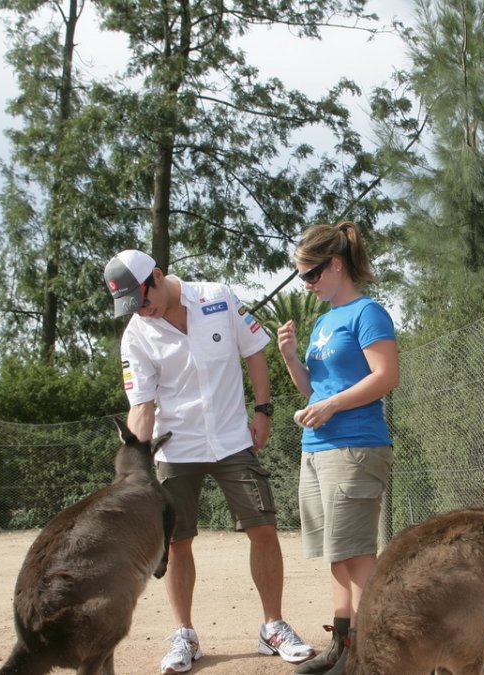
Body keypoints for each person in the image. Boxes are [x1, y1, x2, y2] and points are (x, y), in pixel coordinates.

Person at [103, 249, 314, 674]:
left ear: (157, 277)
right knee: (178, 542)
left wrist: (264, 410)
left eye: (142, 300)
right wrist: (133, 470)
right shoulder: (135, 335)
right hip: (176, 448)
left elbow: (254, 351)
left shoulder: (218, 297)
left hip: (234, 438)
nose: (140, 312)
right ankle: (185, 634)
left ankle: (272, 626)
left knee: (264, 528)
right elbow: (141, 407)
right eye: (131, 307)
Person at [276, 221, 399, 675]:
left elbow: (385, 376)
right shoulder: (324, 322)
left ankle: (382, 652)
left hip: (355, 447)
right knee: (337, 552)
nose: (306, 285)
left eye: (310, 274)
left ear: (336, 264)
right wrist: (290, 358)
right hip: (318, 447)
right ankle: (344, 646)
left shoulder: (367, 313)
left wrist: (330, 406)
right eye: (301, 277)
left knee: (357, 554)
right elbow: (313, 390)